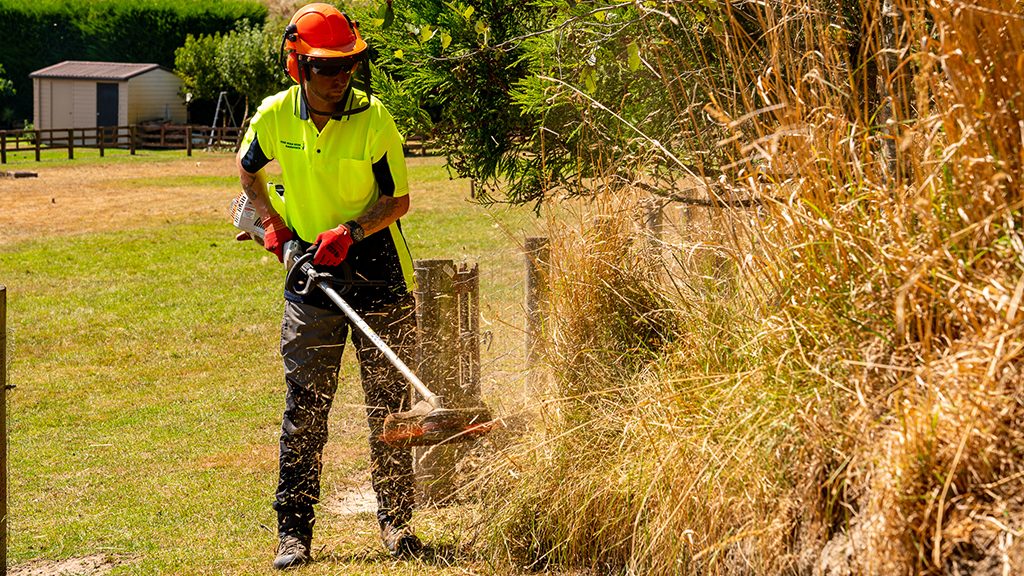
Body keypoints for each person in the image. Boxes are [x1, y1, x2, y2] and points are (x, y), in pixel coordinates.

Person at [234, 3, 421, 569]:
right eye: (327, 67)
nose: (341, 77)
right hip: (309, 273)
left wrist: (353, 230)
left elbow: (397, 200)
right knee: (306, 407)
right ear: (298, 66)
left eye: (348, 65)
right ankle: (294, 534)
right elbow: (248, 170)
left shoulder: (374, 118)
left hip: (377, 268)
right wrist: (274, 227)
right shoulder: (274, 116)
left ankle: (397, 525)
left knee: (389, 405)